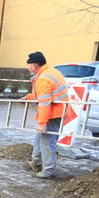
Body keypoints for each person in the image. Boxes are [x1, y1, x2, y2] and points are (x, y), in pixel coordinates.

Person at [22, 51, 70, 179]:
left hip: (53, 114)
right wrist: (30, 97)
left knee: (47, 142)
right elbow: (48, 95)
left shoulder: (43, 79)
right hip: (57, 111)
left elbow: (44, 103)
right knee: (39, 139)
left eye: (28, 65)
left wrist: (42, 124)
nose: (27, 68)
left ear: (34, 66)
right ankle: (36, 162)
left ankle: (49, 170)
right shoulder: (50, 72)